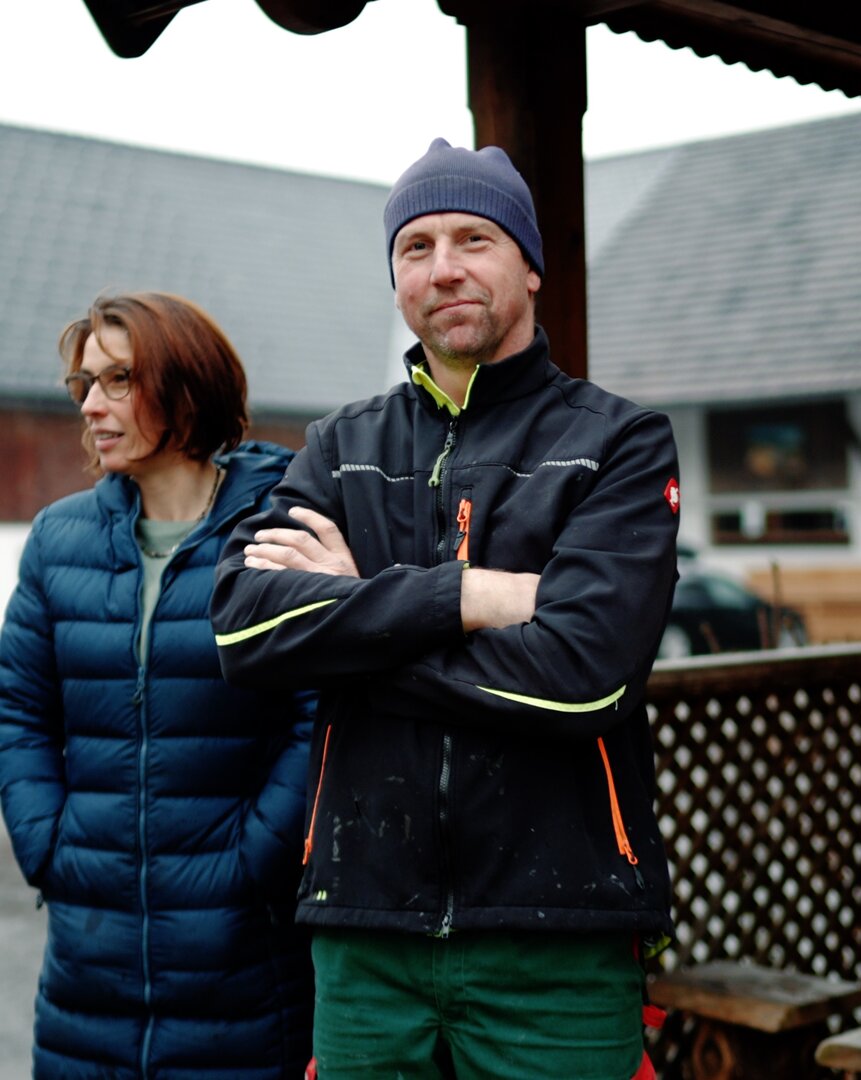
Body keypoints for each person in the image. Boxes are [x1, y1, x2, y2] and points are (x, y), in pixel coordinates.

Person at [211, 139, 680, 1080]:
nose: (444, 267)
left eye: (475, 237)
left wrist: (350, 618)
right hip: (364, 934)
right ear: (395, 281)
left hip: (557, 938)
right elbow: (242, 627)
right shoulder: (340, 445)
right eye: (415, 246)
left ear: (531, 265)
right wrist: (468, 596)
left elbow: (582, 681)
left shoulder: (618, 444)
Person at [0, 292, 315, 1079]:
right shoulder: (57, 541)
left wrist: (253, 863)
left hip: (242, 969)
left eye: (117, 381)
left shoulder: (278, 530)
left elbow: (320, 710)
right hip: (87, 969)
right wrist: (49, 843)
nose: (91, 407)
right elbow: (20, 710)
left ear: (185, 385)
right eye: (84, 387)